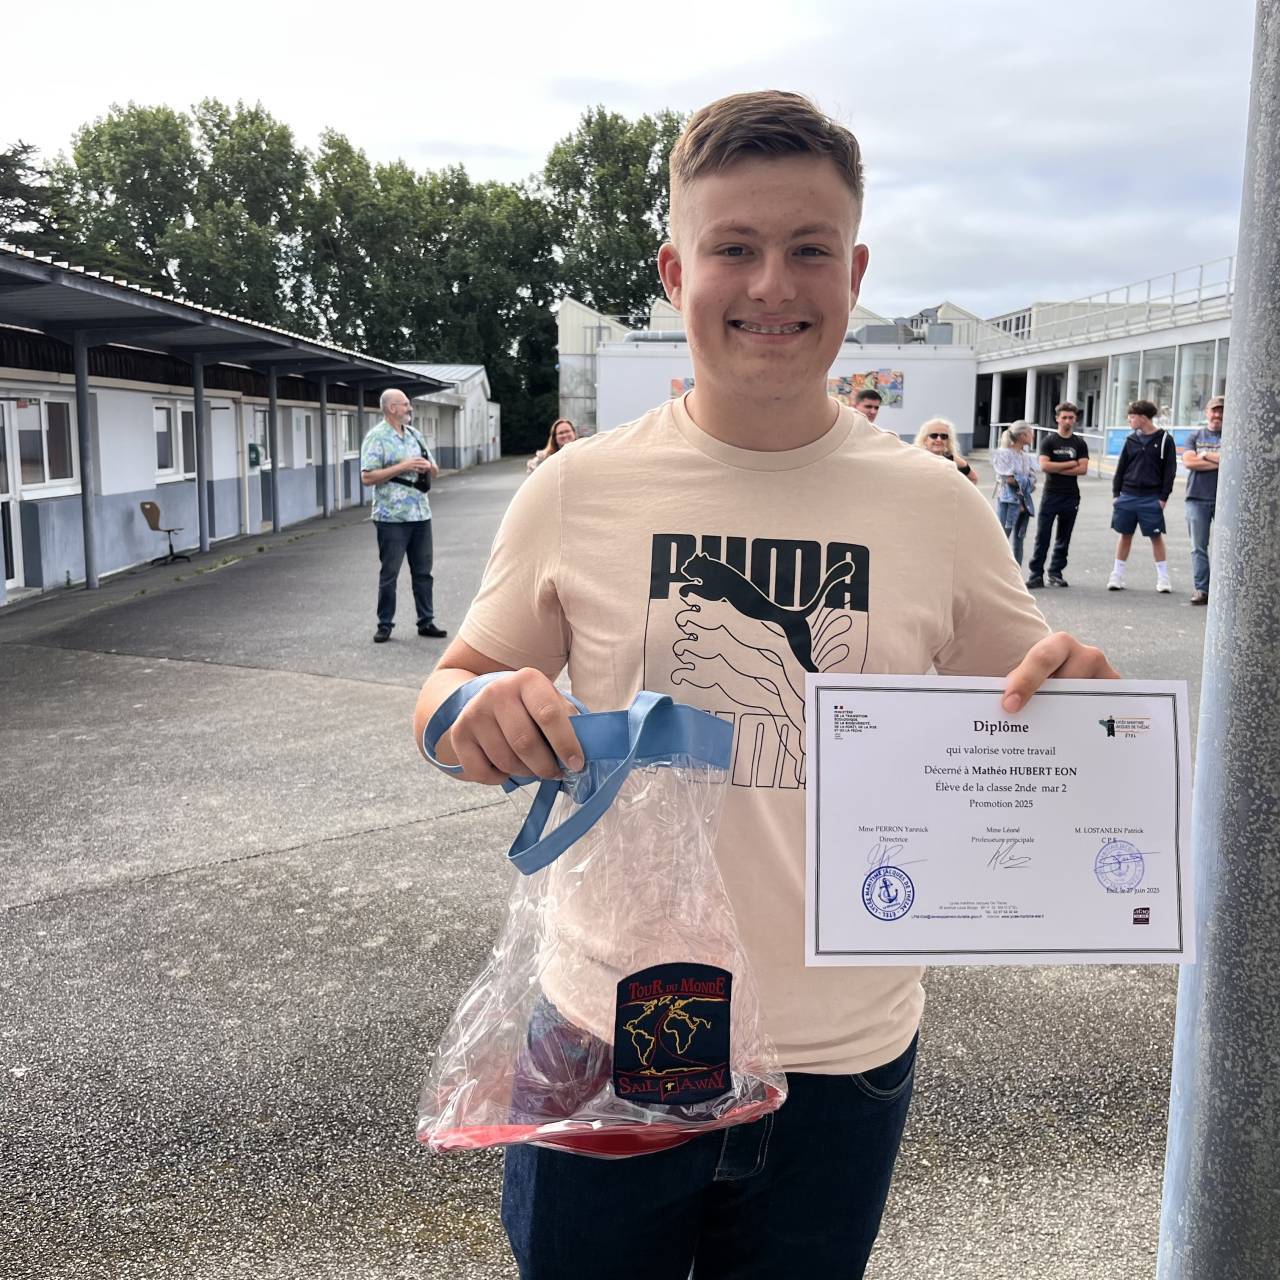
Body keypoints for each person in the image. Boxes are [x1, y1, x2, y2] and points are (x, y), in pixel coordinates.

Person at [413, 91, 1115, 1280]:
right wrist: (464, 717)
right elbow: (450, 686)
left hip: (841, 1054)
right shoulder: (578, 488)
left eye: (807, 250)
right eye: (733, 247)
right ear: (673, 270)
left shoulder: (936, 506)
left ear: (855, 271)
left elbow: (1031, 708)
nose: (771, 285)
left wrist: (1083, 701)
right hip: (611, 1023)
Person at [359, 388, 446, 643]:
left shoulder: (415, 435)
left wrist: (429, 467)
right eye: (405, 404)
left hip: (420, 514)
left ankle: (426, 622)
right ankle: (384, 625)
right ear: (391, 408)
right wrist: (404, 466)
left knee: (423, 573)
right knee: (390, 574)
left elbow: (436, 470)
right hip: (391, 518)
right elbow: (367, 477)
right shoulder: (376, 437)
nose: (410, 408)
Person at [1107, 399, 1177, 593]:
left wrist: (1163, 498)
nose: (1129, 420)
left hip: (1152, 497)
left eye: (1132, 417)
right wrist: (1116, 494)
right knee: (1125, 535)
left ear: (1143, 418)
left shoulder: (1165, 440)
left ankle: (1163, 578)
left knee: (1156, 536)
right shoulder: (1131, 440)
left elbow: (1170, 471)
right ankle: (1117, 575)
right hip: (1127, 495)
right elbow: (1121, 468)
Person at [1025, 401, 1090, 589]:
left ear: (1075, 419)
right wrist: (1071, 463)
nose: (1067, 421)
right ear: (1057, 419)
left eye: (1071, 417)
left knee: (1064, 537)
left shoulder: (1079, 443)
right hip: (1051, 495)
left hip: (1071, 496)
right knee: (1042, 536)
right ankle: (1036, 575)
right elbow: (1045, 466)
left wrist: (1058, 467)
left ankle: (1055, 573)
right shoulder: (1049, 441)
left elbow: (1083, 469)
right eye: (1064, 417)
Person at [1181, 395, 1224, 605]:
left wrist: (1204, 454)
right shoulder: (1195, 436)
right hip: (1196, 498)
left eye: (1222, 411)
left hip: (1225, 500)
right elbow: (1189, 462)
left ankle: (1225, 590)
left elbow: (1233, 460)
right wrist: (1219, 461)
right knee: (1198, 547)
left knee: (1228, 546)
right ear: (1207, 412)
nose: (1217, 415)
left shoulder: (1234, 435)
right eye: (1214, 410)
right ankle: (1202, 589)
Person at [992, 422, 1037, 566]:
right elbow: (1009, 479)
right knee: (1002, 540)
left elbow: (1033, 482)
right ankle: (997, 573)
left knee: (1019, 541)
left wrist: (1022, 481)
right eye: (1031, 433)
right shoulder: (1003, 453)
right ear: (1022, 435)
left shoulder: (1026, 456)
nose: (1033, 436)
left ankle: (1016, 575)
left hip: (1024, 503)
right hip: (1008, 502)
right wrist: (1025, 482)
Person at [913, 417, 979, 485]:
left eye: (944, 436)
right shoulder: (916, 459)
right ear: (924, 440)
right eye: (934, 435)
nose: (939, 439)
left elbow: (973, 478)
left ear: (948, 441)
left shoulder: (952, 459)